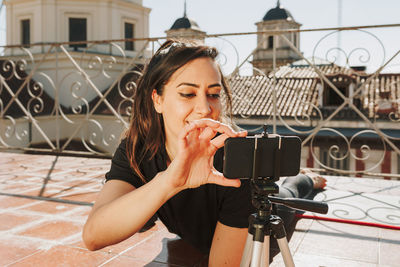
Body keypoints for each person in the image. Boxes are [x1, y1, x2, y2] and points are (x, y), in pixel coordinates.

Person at [82, 40, 326, 266]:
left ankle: (305, 179)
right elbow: (93, 237)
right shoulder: (136, 150)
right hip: (197, 236)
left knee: (289, 193)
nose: (205, 108)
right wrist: (170, 182)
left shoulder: (237, 162)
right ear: (157, 100)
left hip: (262, 223)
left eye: (213, 94)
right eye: (187, 93)